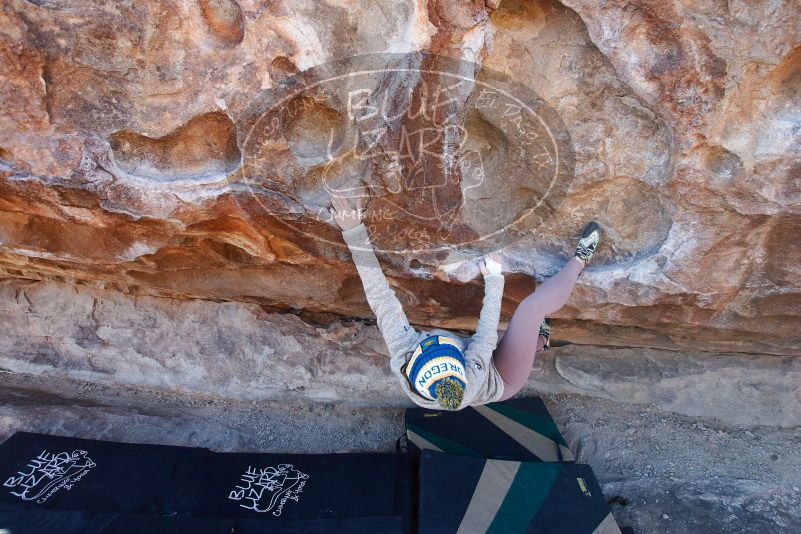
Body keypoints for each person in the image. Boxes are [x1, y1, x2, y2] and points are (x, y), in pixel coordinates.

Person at [329, 192, 601, 410]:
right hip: (500, 377)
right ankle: (580, 260)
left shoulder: (403, 350)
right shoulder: (471, 376)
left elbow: (379, 296)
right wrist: (494, 280)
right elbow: (483, 339)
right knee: (529, 311)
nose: (433, 338)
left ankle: (538, 341)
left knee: (513, 334)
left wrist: (353, 232)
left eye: (430, 343)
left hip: (474, 351)